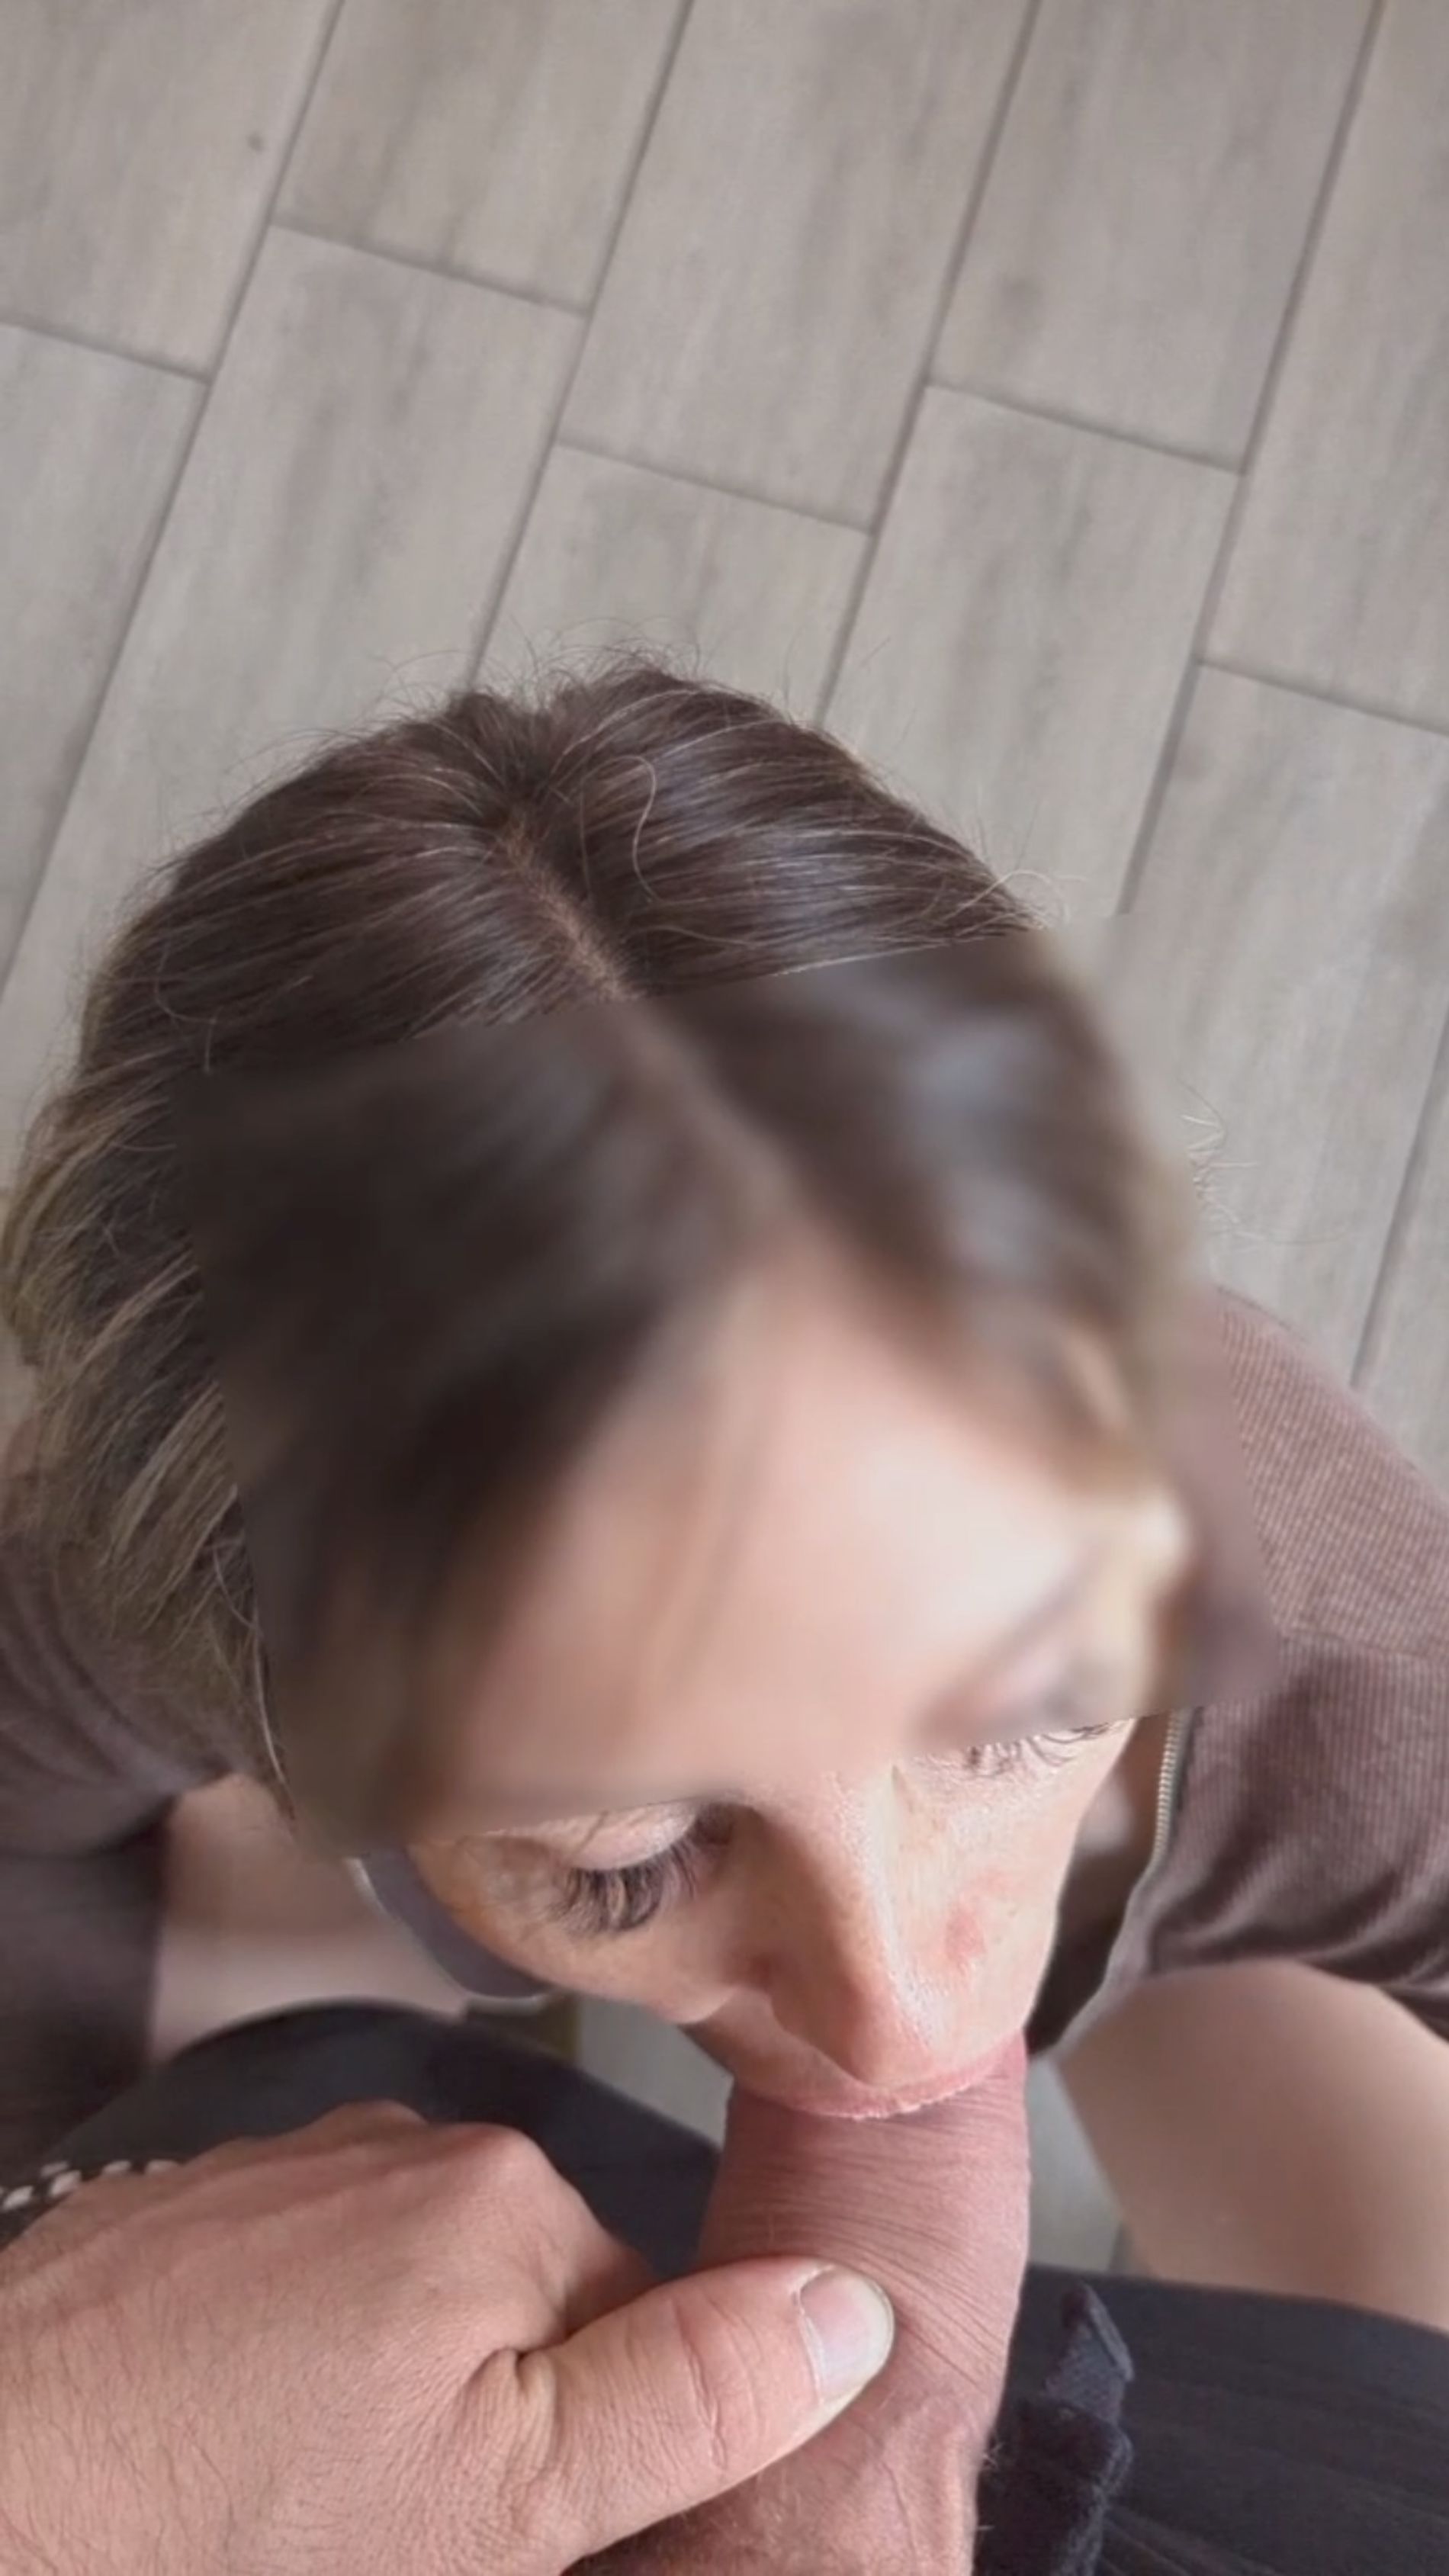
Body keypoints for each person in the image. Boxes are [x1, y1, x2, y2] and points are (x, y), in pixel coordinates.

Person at [2, 663, 1448, 2542]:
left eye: (1032, 1703)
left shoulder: (1347, 1643)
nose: (905, 2022)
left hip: (1198, 1896)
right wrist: (73, 2197)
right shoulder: (140, 1590)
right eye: (625, 1862)